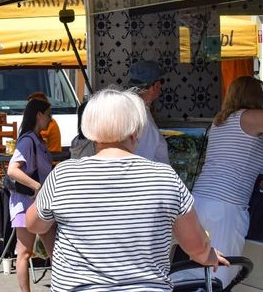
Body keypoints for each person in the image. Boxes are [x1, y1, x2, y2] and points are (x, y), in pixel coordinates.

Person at [26, 88, 228, 291]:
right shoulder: (165, 177)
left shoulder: (64, 175)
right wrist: (208, 255)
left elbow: (35, 225)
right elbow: (197, 246)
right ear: (136, 130)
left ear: (90, 129)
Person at [186, 76, 263, 286]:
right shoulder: (250, 118)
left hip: (199, 202)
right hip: (226, 208)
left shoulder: (219, 122)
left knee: (197, 276)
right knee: (218, 277)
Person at [7, 98, 56, 292]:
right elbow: (13, 170)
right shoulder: (27, 141)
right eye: (49, 114)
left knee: (54, 252)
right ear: (39, 115)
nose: (50, 120)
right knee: (24, 252)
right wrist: (38, 187)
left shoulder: (36, 140)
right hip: (26, 203)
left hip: (39, 203)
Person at [128, 60, 169, 164]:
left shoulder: (130, 107)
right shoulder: (142, 117)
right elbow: (141, 160)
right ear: (155, 86)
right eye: (161, 81)